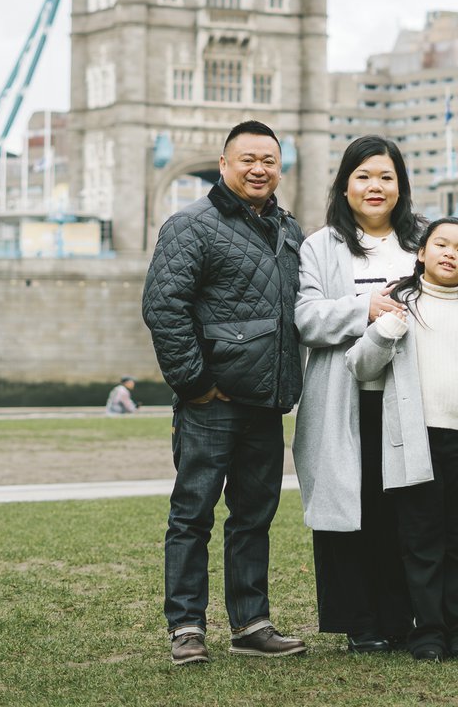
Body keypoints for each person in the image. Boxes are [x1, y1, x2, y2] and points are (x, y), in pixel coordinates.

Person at [141, 120, 307, 666]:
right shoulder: (191, 225)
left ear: (279, 168)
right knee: (192, 515)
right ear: (224, 163)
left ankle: (251, 624)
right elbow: (165, 307)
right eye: (248, 160)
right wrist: (195, 384)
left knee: (253, 517)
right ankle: (186, 627)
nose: (259, 169)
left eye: (269, 161)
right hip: (211, 403)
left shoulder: (289, 229)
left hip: (266, 402)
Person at [347, 218, 458, 663]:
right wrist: (384, 334)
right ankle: (428, 631)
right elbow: (360, 366)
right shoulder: (398, 305)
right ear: (421, 252)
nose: (450, 253)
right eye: (441, 244)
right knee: (421, 541)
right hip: (415, 443)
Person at [292, 135, 424, 653]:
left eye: (386, 177)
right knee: (349, 509)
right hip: (342, 398)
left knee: (402, 511)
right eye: (364, 176)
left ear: (401, 186)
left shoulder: (423, 240)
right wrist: (364, 307)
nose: (375, 186)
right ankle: (359, 622)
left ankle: (403, 616)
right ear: (345, 186)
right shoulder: (319, 246)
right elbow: (306, 317)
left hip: (407, 398)